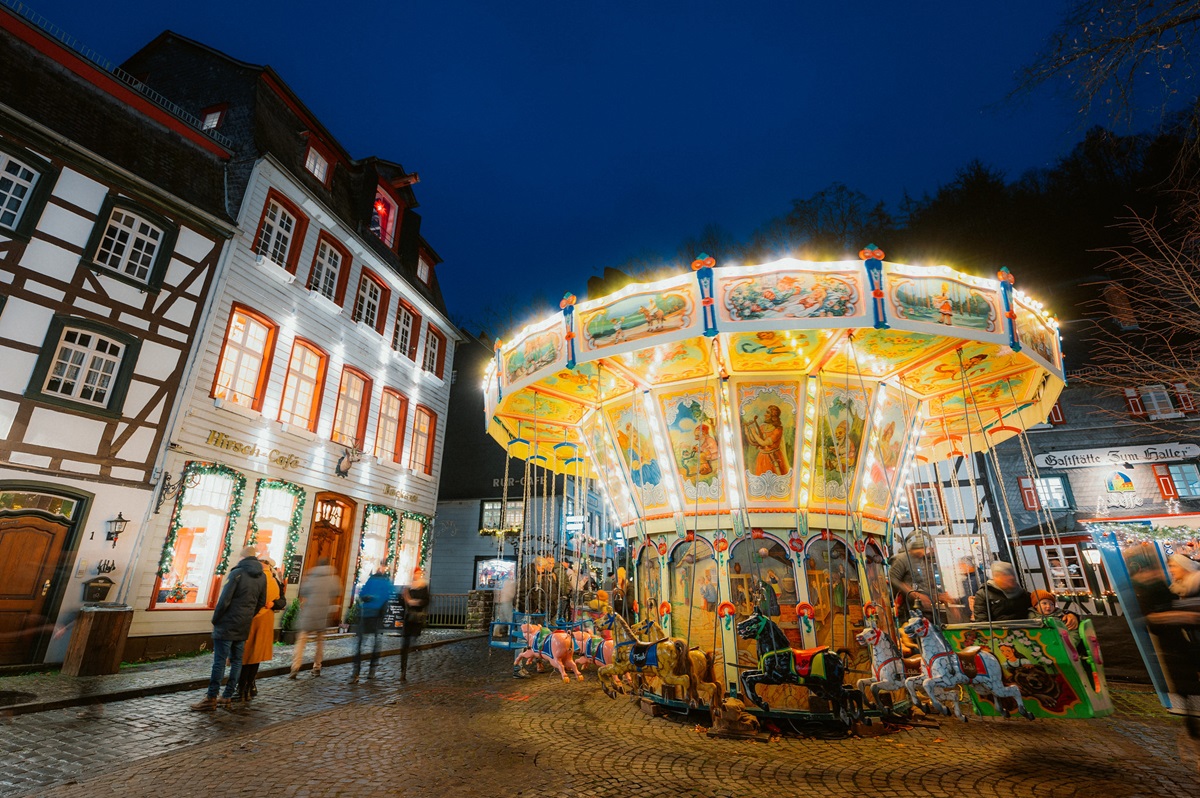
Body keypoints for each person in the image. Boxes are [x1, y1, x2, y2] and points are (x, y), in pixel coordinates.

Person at [190, 546, 266, 711]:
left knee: (219, 661)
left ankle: (211, 697)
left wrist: (216, 619)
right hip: (243, 625)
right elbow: (261, 602)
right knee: (237, 661)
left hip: (227, 623)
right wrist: (247, 616)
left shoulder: (237, 574)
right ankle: (227, 696)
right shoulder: (262, 577)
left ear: (242, 557)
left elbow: (224, 600)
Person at [236, 557, 285, 703]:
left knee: (246, 654)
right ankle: (247, 685)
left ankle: (245, 685)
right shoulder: (273, 580)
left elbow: (282, 600)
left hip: (253, 619)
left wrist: (273, 603)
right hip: (263, 620)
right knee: (253, 654)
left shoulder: (257, 578)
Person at [290, 557, 340, 679]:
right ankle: (317, 667)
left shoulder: (311, 576)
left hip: (309, 613)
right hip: (322, 614)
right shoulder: (332, 578)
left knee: (301, 640)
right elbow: (337, 591)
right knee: (319, 642)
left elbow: (303, 591)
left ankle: (295, 667)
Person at [889, 533, 950, 623]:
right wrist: (913, 593)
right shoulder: (902, 559)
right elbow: (893, 578)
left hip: (926, 608)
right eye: (921, 550)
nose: (923, 553)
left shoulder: (922, 559)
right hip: (908, 608)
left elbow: (925, 582)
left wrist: (938, 595)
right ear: (915, 549)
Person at [351, 566, 394, 683]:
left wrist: (365, 601)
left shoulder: (371, 580)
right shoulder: (386, 582)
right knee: (375, 644)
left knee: (360, 645)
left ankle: (356, 672)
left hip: (365, 615)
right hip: (376, 617)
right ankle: (371, 670)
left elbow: (361, 594)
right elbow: (389, 596)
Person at [400, 567, 430, 682]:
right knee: (404, 645)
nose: (417, 575)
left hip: (417, 619)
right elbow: (403, 603)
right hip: (408, 618)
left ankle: (416, 663)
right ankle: (403, 670)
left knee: (413, 642)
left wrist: (417, 602)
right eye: (416, 573)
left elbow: (426, 601)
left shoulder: (423, 587)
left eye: (419, 573)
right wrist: (406, 600)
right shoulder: (408, 586)